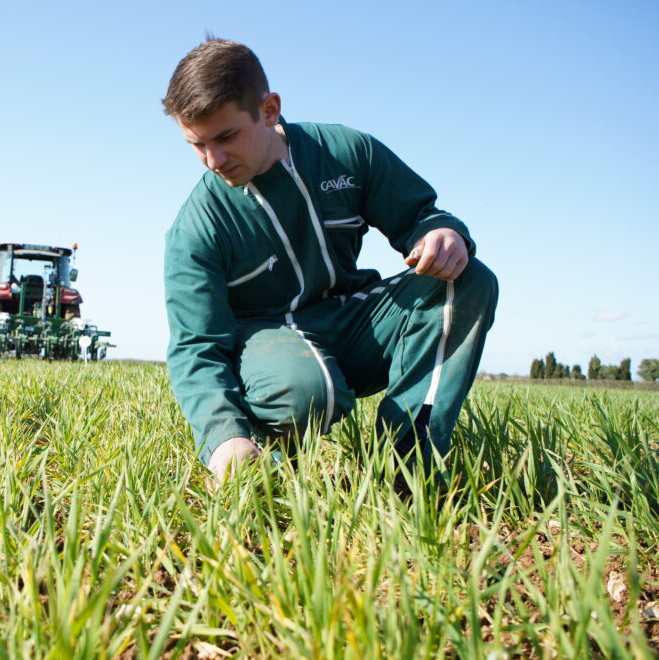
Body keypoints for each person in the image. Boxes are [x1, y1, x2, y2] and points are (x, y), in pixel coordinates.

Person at [162, 39, 498, 484]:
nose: (213, 160)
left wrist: (441, 234)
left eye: (225, 137)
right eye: (197, 144)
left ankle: (405, 469)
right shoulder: (196, 227)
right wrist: (223, 437)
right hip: (271, 349)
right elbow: (196, 346)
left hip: (353, 323)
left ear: (269, 110)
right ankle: (267, 459)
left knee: (467, 279)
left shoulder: (346, 152)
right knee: (306, 390)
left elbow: (421, 215)